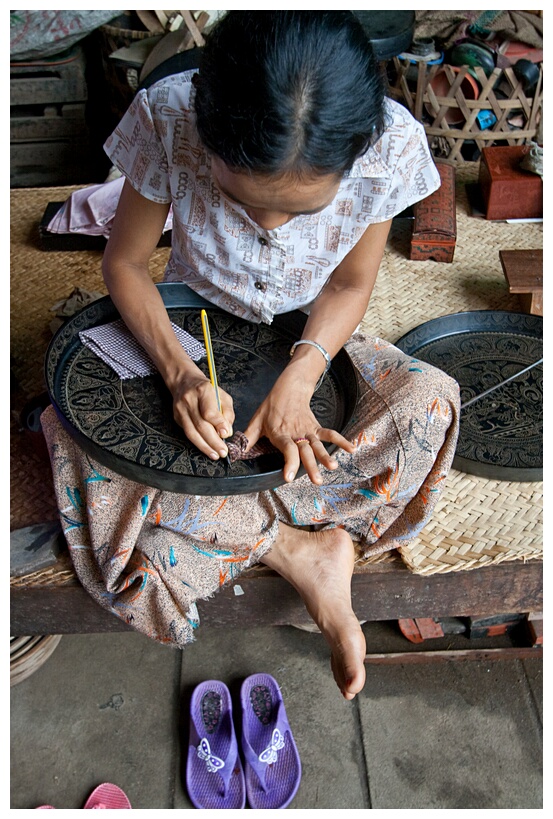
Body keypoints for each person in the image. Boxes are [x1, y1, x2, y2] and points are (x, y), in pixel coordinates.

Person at [41, 11, 460, 700]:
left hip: (308, 334)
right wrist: (179, 376)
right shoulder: (170, 116)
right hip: (182, 325)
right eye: (240, 196)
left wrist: (301, 376)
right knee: (78, 435)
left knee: (429, 401)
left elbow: (351, 285)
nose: (267, 225)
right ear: (207, 131)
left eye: (298, 211)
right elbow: (126, 266)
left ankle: (235, 521)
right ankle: (298, 543)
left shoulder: (386, 149)